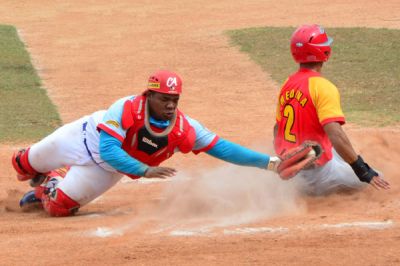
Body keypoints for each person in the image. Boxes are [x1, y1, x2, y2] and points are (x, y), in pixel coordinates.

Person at [12, 70, 282, 217]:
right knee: (22, 165)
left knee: (59, 208)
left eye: (174, 99)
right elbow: (108, 148)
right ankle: (44, 172)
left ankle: (52, 184)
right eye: (164, 98)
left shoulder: (185, 128)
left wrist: (269, 163)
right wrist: (144, 170)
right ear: (149, 95)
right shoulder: (126, 107)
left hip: (106, 170)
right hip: (81, 139)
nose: (170, 105)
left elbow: (222, 148)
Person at [273, 24, 390, 195]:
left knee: (330, 148)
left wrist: (286, 162)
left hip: (292, 174)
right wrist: (363, 172)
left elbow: (277, 129)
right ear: (325, 52)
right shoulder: (323, 87)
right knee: (379, 179)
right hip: (318, 177)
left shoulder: (287, 84)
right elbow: (336, 135)